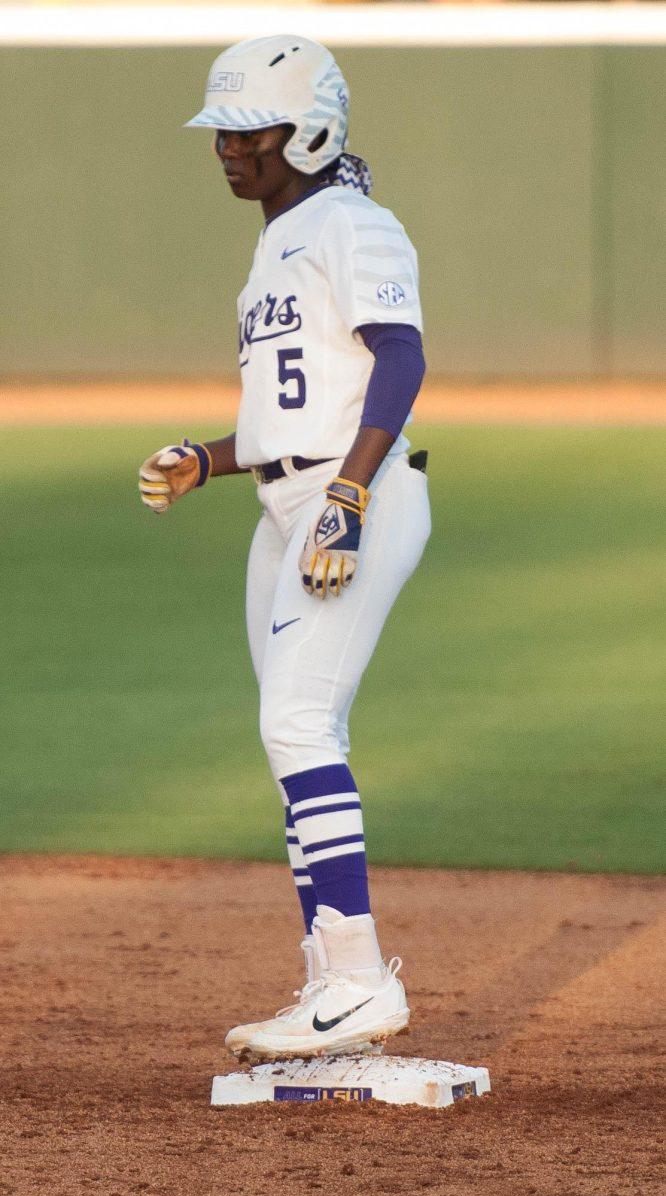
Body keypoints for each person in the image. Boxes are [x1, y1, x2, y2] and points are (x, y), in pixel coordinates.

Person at [138, 34, 431, 1062]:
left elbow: (401, 357)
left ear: (306, 128)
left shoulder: (354, 222)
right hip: (287, 504)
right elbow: (287, 415)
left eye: (245, 129)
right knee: (295, 739)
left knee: (298, 721)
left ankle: (356, 979)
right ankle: (328, 979)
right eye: (220, 132)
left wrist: (350, 491)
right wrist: (208, 460)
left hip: (352, 498)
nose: (227, 148)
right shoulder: (277, 240)